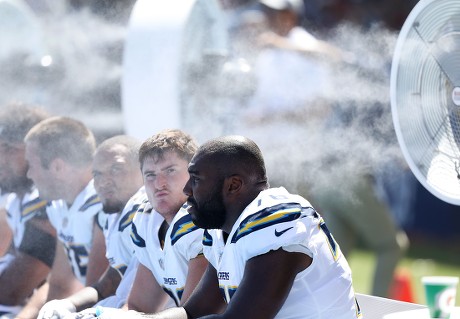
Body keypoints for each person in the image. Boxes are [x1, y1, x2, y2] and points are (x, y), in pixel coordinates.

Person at [117, 135, 361, 319]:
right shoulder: (222, 230)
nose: (187, 190)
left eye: (197, 180)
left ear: (233, 185)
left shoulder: (276, 218)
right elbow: (195, 310)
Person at [36, 135, 145, 319]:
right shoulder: (116, 215)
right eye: (97, 174)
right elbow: (108, 284)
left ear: (143, 170)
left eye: (116, 169)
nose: (103, 181)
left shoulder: (145, 212)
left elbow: (143, 302)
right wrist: (68, 304)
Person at [21, 116, 108, 318]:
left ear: (58, 167)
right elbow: (60, 282)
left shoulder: (102, 204)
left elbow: (100, 291)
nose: (29, 175)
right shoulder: (59, 205)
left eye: (31, 165)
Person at [125, 129, 207, 313]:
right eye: (150, 175)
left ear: (194, 174)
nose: (159, 183)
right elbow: (139, 307)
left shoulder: (202, 221)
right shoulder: (146, 220)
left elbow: (193, 313)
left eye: (170, 171)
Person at [0, 103, 55, 318]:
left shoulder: (46, 198)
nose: (1, 158)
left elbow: (13, 289)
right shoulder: (16, 202)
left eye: (9, 148)